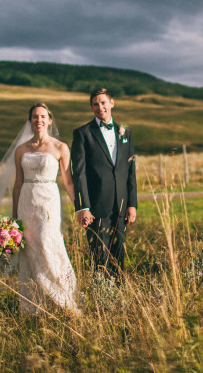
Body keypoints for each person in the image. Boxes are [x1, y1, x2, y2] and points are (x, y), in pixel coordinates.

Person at [11, 103, 79, 314]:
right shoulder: (21, 149)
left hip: (48, 200)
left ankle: (62, 296)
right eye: (34, 117)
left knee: (48, 242)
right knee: (29, 247)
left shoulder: (60, 147)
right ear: (30, 121)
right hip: (26, 201)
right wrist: (14, 216)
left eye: (43, 116)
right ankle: (33, 304)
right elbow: (18, 183)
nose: (38, 120)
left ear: (50, 120)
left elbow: (68, 181)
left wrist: (80, 207)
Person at [71, 88, 137, 275]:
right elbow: (79, 173)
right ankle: (102, 299)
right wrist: (83, 206)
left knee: (120, 255)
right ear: (91, 108)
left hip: (122, 205)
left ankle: (119, 299)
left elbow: (130, 171)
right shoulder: (83, 133)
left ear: (111, 103)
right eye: (95, 104)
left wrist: (132, 204)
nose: (100, 107)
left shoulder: (125, 132)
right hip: (96, 206)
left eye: (103, 102)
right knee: (100, 257)